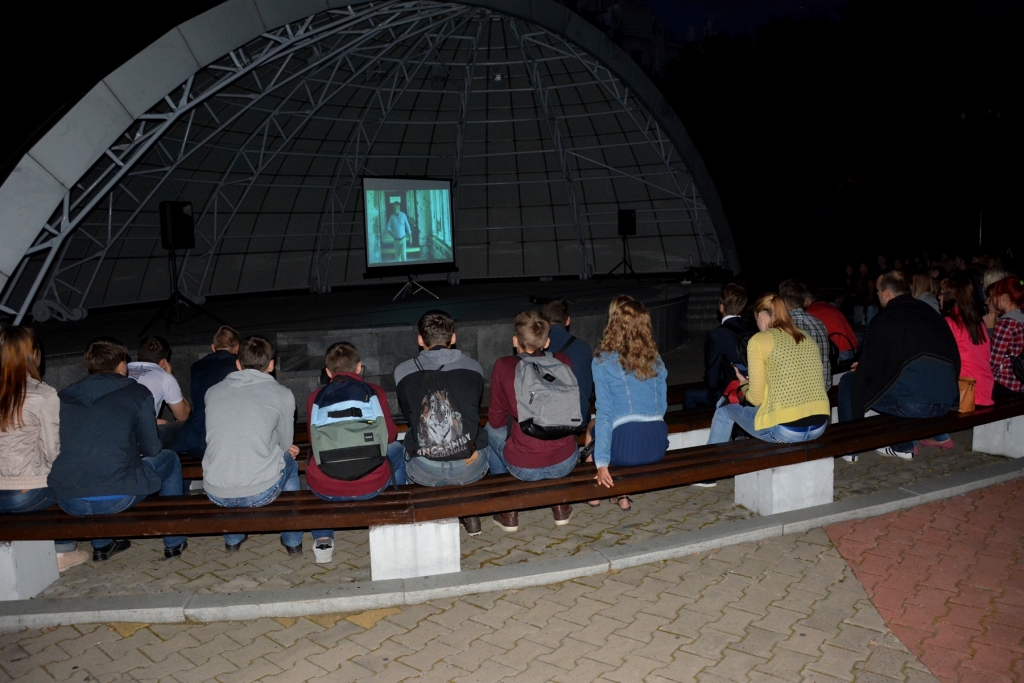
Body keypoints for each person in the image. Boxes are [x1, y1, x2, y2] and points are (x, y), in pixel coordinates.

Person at [48, 338, 187, 561]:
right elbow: (152, 448)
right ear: (122, 366)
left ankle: (102, 545)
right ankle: (174, 540)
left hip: (68, 498)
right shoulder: (137, 393)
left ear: (88, 366)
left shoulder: (65, 397)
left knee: (94, 470)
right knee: (169, 459)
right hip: (117, 495)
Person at [203, 336, 330, 557]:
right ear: (271, 365)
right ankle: (292, 541)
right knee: (289, 462)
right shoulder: (281, 394)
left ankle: (232, 540)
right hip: (259, 493)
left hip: (215, 490)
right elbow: (285, 443)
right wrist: (280, 449)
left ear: (238, 364)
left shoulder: (212, 392)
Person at [837, 271, 960, 461]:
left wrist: (862, 369)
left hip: (915, 404)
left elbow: (876, 365)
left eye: (878, 291)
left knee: (848, 383)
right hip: (946, 401)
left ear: (887, 294)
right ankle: (903, 445)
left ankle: (850, 448)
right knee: (905, 381)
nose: (877, 295)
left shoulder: (885, 318)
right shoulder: (931, 314)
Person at [304, 342, 408, 559]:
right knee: (398, 448)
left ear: (328, 372)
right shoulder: (374, 392)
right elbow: (388, 436)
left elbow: (314, 442)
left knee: (313, 466)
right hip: (370, 484)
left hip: (327, 487)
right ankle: (397, 521)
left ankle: (323, 540)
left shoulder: (315, 398)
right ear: (359, 367)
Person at [0, 327, 90, 571]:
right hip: (24, 493)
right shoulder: (43, 394)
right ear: (34, 355)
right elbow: (54, 450)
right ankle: (62, 552)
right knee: (70, 483)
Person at [394, 310, 490, 535]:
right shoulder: (474, 367)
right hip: (469, 466)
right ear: (453, 338)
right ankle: (471, 511)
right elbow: (470, 413)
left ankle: (414, 516)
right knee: (490, 437)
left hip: (425, 468)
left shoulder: (402, 371)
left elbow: (411, 416)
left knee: (397, 451)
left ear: (420, 340)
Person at [486, 311, 578, 530]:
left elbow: (497, 419)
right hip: (565, 461)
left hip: (524, 467)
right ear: (546, 342)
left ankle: (508, 509)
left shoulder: (504, 365)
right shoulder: (563, 361)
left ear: (515, 340)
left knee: (491, 429)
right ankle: (560, 506)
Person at [707, 294, 829, 447]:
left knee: (723, 408)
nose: (756, 323)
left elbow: (755, 399)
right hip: (819, 425)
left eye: (756, 318)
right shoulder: (805, 336)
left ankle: (711, 459)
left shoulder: (759, 340)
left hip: (786, 430)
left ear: (762, 316)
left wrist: (744, 384)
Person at [586, 301, 669, 508]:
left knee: (592, 426)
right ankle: (621, 495)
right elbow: (663, 406)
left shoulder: (602, 361)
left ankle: (595, 490)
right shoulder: (656, 359)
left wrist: (602, 463)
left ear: (614, 325)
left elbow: (605, 414)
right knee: (613, 428)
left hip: (626, 447)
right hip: (657, 444)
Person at [919, 273, 996, 450]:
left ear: (951, 297)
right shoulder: (977, 322)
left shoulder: (950, 322)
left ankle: (939, 436)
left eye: (942, 293)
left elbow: (939, 361)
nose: (938, 296)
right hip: (983, 387)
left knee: (920, 386)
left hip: (966, 394)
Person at [172, 325, 240, 458]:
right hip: (223, 437)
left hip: (193, 435)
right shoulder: (239, 367)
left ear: (213, 347)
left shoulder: (197, 366)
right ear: (237, 348)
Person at [684, 284, 751, 410]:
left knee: (689, 396)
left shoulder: (717, 335)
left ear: (721, 307)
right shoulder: (752, 327)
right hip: (755, 386)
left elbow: (712, 375)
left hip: (734, 391)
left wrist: (712, 393)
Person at [128, 336, 191, 448]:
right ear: (163, 361)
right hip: (139, 438)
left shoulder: (123, 369)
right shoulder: (164, 377)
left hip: (116, 430)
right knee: (185, 426)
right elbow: (183, 416)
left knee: (164, 423)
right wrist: (170, 376)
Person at [541, 299, 594, 421]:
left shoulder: (537, 346)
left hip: (544, 417)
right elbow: (587, 389)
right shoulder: (583, 348)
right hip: (576, 416)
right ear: (568, 320)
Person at [779, 279, 832, 390]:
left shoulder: (787, 325)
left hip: (801, 393)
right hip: (822, 389)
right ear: (803, 300)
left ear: (782, 301)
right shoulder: (818, 323)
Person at [988, 277, 1024, 397]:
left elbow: (993, 363)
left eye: (994, 295)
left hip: (1008, 383)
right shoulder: (1021, 318)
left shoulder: (1005, 324)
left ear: (1003, 297)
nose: (992, 300)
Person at [805, 286, 859, 363]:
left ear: (806, 300)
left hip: (840, 348)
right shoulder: (828, 306)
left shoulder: (810, 312)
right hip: (852, 345)